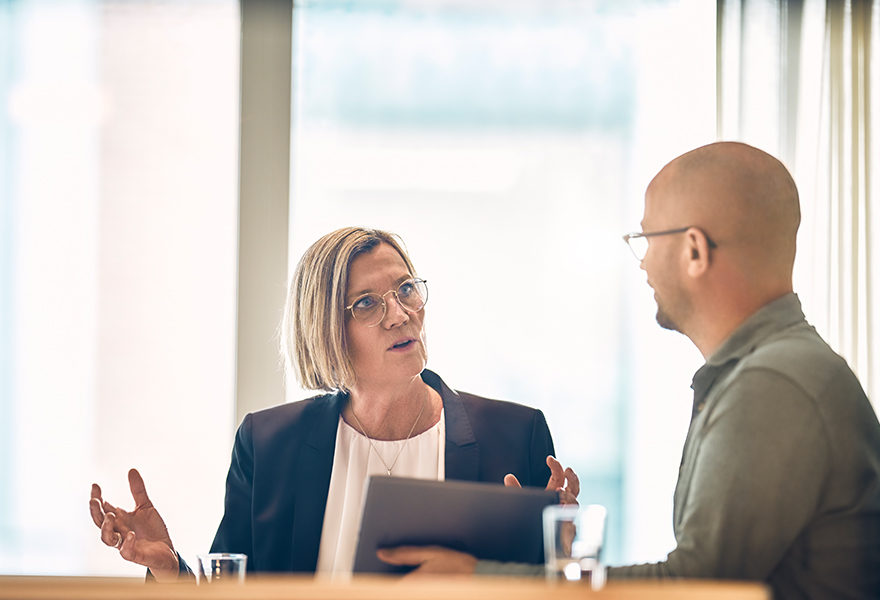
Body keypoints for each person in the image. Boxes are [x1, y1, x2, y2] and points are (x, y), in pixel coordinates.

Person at [379, 142, 880, 598]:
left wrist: (476, 577)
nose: (641, 266)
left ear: (693, 250)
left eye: (646, 238)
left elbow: (698, 586)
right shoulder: (772, 372)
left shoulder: (772, 386)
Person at [89, 227, 578, 580]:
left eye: (405, 288)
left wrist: (559, 550)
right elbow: (230, 590)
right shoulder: (268, 445)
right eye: (367, 303)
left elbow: (546, 585)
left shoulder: (515, 436)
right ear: (325, 329)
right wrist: (170, 567)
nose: (401, 314)